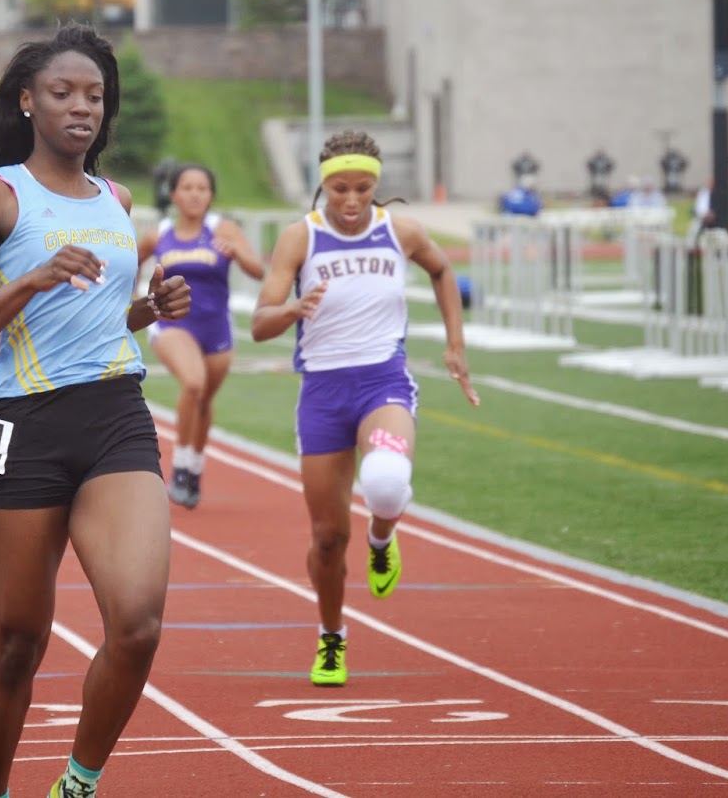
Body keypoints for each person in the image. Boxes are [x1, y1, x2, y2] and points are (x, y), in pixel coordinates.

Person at [0, 23, 190, 798]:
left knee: (138, 623)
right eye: (63, 93)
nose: (82, 108)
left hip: (116, 413)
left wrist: (149, 307)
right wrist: (29, 281)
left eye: (95, 96)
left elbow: (102, 317)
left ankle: (77, 784)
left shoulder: (117, 197)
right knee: (18, 642)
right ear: (27, 102)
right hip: (25, 426)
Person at [250, 129, 481, 688]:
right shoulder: (299, 238)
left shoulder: (399, 229)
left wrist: (456, 344)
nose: (351, 201)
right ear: (323, 185)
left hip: (384, 382)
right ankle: (332, 638)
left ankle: (382, 538)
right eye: (339, 189)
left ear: (376, 185)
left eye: (362, 188)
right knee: (328, 537)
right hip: (323, 394)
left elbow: (443, 271)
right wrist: (293, 309)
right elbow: (259, 323)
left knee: (383, 483)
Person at [137, 163, 265, 508]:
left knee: (204, 399)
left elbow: (259, 270)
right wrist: (135, 302)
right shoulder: (158, 234)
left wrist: (236, 251)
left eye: (202, 188)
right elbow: (131, 261)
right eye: (188, 188)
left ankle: (194, 469)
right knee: (193, 383)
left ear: (210, 195)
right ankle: (179, 468)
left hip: (216, 328)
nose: (195, 194)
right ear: (174, 194)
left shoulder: (223, 229)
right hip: (172, 324)